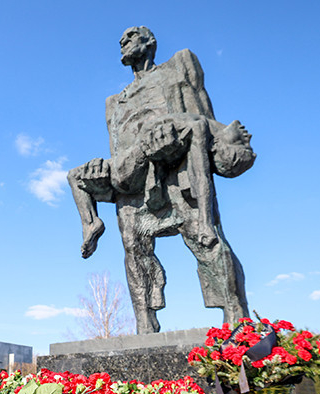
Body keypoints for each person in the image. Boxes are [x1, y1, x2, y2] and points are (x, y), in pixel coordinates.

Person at [67, 26, 255, 332]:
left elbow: (200, 121)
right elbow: (118, 146)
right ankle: (145, 323)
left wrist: (223, 133)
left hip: (178, 166)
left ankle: (237, 317)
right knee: (133, 247)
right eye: (122, 39)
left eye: (130, 36)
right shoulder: (114, 102)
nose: (122, 41)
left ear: (149, 41)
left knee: (205, 239)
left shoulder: (178, 67)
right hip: (135, 180)